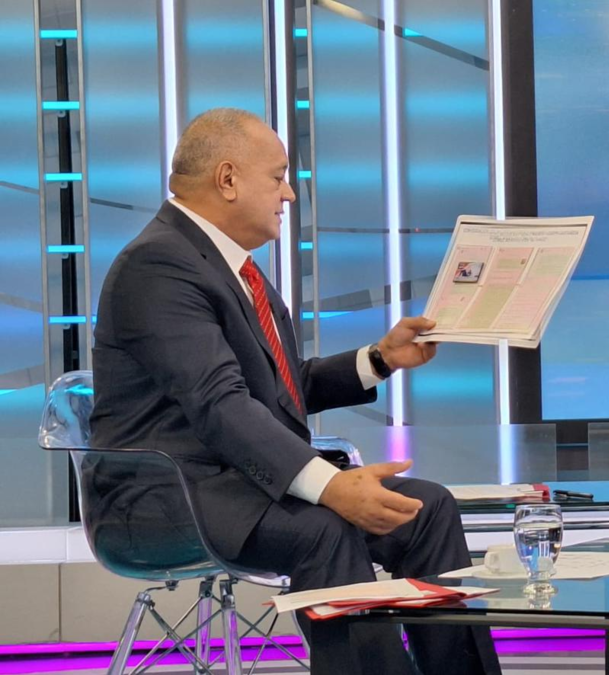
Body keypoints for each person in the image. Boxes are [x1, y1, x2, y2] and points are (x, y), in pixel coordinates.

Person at [88, 108, 502, 675]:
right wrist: (331, 487)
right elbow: (219, 404)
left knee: (426, 509)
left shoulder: (231, 267)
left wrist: (380, 359)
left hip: (240, 485)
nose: (288, 195)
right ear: (227, 179)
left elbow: (279, 388)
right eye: (279, 177)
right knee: (325, 528)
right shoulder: (157, 265)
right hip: (166, 499)